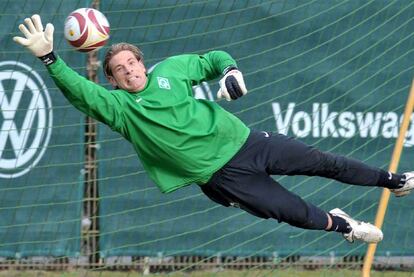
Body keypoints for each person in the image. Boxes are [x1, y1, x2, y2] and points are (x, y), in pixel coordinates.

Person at [13, 14, 414, 244]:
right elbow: (80, 92)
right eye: (119, 70)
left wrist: (231, 71)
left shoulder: (170, 70)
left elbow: (214, 58)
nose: (129, 71)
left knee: (324, 162)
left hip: (247, 142)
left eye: (132, 63)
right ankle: (346, 226)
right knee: (290, 212)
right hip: (219, 177)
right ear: (114, 81)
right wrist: (50, 58)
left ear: (142, 63)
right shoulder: (118, 107)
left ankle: (395, 180)